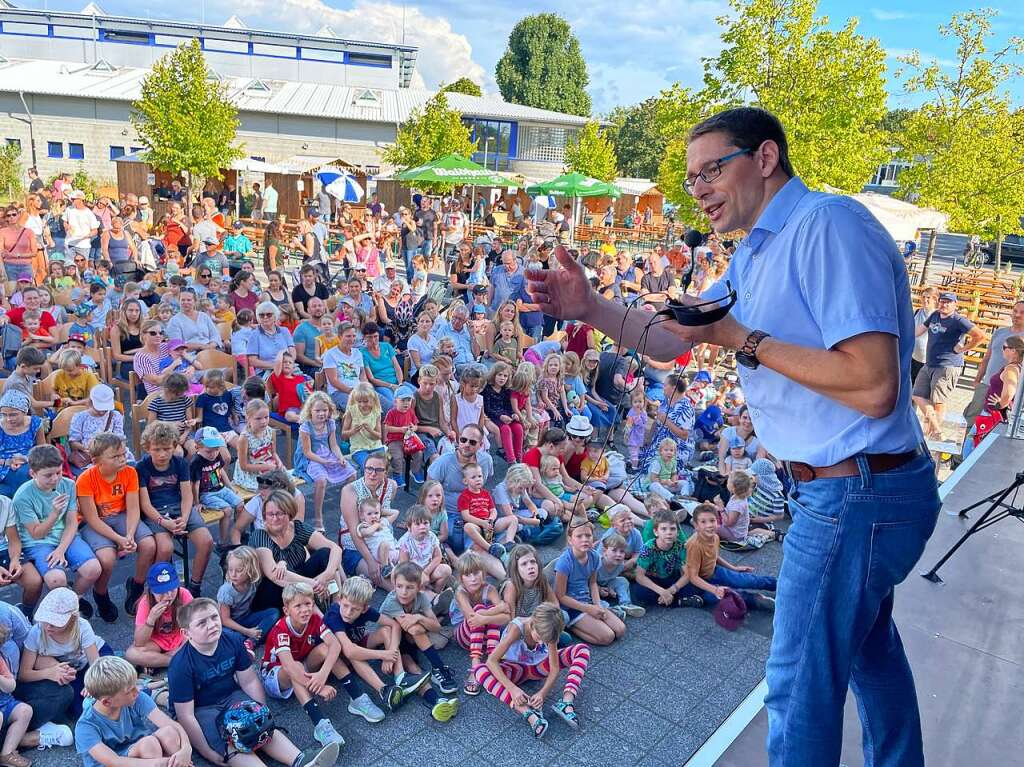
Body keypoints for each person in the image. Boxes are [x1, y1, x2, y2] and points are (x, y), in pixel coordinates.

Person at [526, 106, 940, 766]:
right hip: (848, 490)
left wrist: (743, 340)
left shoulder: (826, 226)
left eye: (712, 170)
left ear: (767, 158)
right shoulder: (758, 252)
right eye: (691, 181)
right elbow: (675, 336)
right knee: (868, 649)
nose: (700, 190)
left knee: (797, 684)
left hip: (855, 494)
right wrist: (591, 308)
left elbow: (873, 383)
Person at [168, 598, 340, 767]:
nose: (212, 624)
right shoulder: (180, 664)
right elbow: (186, 716)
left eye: (214, 617)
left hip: (231, 695)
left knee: (259, 725)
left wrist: (261, 713)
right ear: (186, 633)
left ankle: (301, 761)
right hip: (201, 709)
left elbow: (249, 680)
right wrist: (208, 752)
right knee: (227, 741)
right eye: (202, 623)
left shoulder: (232, 640)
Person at [474, 602, 590, 737]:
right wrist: (512, 689)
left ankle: (566, 703)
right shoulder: (517, 628)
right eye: (539, 638)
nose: (541, 643)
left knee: (582, 649)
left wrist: (542, 693)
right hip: (515, 669)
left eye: (545, 641)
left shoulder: (549, 630)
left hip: (538, 667)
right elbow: (491, 661)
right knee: (480, 670)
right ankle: (529, 713)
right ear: (532, 624)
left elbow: (554, 668)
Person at [77, 433, 158, 622]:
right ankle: (101, 594)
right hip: (97, 522)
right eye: (115, 457)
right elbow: (92, 518)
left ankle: (136, 586)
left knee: (148, 545)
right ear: (97, 461)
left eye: (123, 454)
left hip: (122, 517)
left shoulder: (130, 472)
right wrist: (118, 539)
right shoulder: (85, 480)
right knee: (107, 559)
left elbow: (133, 508)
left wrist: (129, 535)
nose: (122, 459)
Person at [14, 445, 101, 618]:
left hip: (65, 537)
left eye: (59, 472)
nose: (55, 479)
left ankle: (72, 600)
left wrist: (61, 549)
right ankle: (54, 608)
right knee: (56, 579)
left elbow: (71, 522)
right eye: (48, 475)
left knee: (93, 569)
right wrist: (54, 513)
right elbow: (36, 533)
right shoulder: (22, 496)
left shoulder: (68, 485)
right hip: (38, 542)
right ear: (33, 473)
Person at [259, 583, 346, 747]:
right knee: (295, 667)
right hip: (275, 675)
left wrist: (322, 675)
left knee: (325, 648)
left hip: (301, 664)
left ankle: (358, 697)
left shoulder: (314, 618)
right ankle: (320, 724)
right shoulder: (280, 630)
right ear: (286, 610)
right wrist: (319, 687)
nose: (305, 609)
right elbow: (289, 666)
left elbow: (335, 645)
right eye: (298, 606)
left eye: (308, 604)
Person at [136, 421, 213, 596]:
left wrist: (184, 519)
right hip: (156, 511)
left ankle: (194, 585)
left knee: (206, 541)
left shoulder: (180, 463)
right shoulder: (141, 467)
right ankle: (154, 589)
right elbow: (145, 504)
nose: (162, 454)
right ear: (148, 448)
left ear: (174, 447)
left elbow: (187, 496)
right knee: (165, 548)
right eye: (157, 449)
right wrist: (163, 522)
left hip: (179, 508)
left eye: (167, 449)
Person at [75, 655, 191, 767]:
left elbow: (171, 725)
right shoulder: (85, 726)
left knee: (169, 732)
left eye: (135, 685)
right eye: (129, 690)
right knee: (149, 744)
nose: (137, 691)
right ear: (106, 702)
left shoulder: (136, 697)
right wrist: (163, 763)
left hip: (141, 750)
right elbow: (114, 762)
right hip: (118, 762)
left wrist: (186, 750)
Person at [248, 490, 343, 613]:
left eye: (279, 514)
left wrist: (326, 575)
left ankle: (336, 606)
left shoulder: (297, 528)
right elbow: (274, 575)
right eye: (270, 514)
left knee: (326, 553)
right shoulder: (260, 535)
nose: (274, 518)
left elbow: (335, 548)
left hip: (302, 583)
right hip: (274, 593)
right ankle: (322, 622)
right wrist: (314, 584)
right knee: (283, 571)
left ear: (289, 514)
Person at [912, 291, 985, 437]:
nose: (944, 304)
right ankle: (936, 427)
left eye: (948, 302)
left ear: (954, 304)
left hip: (947, 365)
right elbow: (917, 331)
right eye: (942, 301)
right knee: (917, 395)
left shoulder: (958, 320)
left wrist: (963, 349)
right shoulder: (935, 316)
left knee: (938, 401)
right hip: (930, 363)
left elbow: (980, 336)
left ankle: (935, 434)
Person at [963, 299, 1024, 425]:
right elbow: (987, 358)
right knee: (972, 419)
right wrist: (977, 380)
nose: (1017, 315)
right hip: (987, 384)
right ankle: (968, 445)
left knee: (996, 423)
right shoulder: (999, 332)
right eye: (1015, 311)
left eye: (1022, 312)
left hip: (1008, 388)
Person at [124, 561, 192, 669]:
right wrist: (151, 619)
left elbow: (194, 624)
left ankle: (160, 661)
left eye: (172, 589)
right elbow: (139, 642)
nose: (168, 595)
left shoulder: (183, 594)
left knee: (195, 638)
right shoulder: (145, 602)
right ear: (152, 591)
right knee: (131, 654)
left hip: (182, 636)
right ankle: (173, 660)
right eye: (162, 592)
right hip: (158, 641)